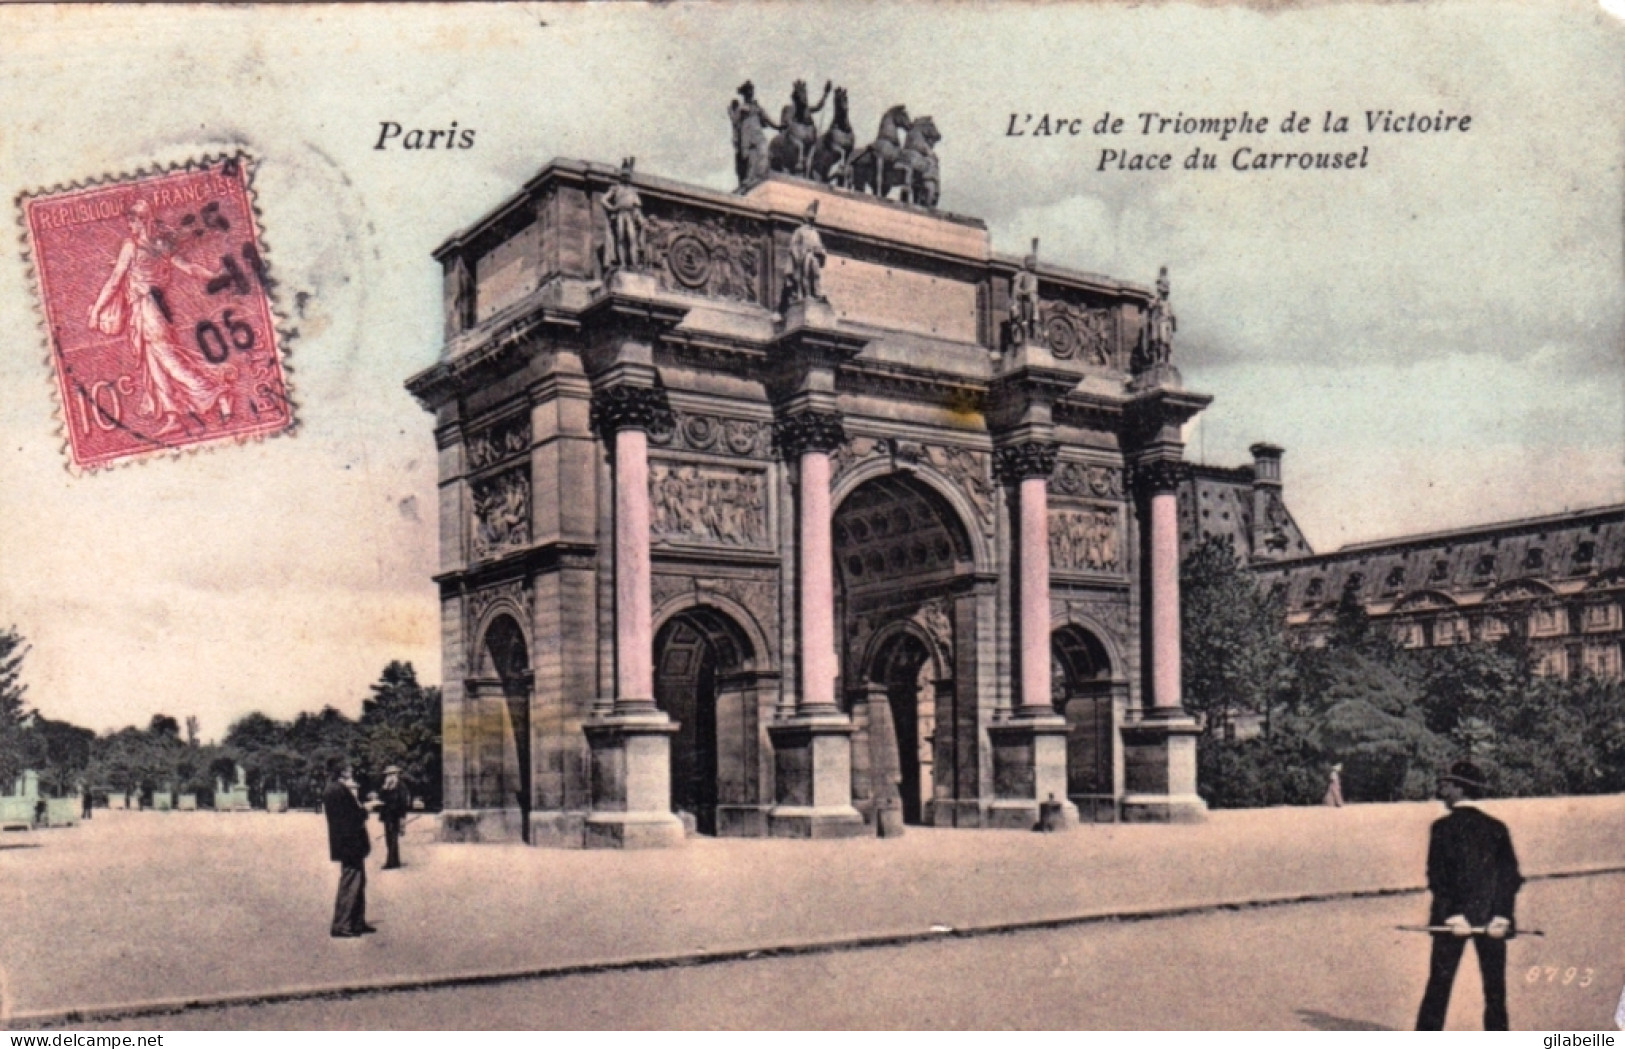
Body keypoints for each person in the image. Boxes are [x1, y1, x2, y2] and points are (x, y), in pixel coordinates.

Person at [87, 200, 231, 435]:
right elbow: (190, 268)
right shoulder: (161, 246)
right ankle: (173, 415)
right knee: (154, 362)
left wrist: (96, 312)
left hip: (148, 310)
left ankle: (217, 392)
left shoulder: (131, 247)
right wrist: (215, 276)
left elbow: (114, 281)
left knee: (169, 360)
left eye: (132, 220)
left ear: (142, 221)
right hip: (154, 310)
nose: (130, 225)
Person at [1415, 760, 1523, 1030]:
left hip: (1452, 921)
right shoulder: (1497, 828)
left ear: (1461, 789)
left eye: (1447, 786)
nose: (1441, 791)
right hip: (1491, 920)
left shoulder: (1442, 828)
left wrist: (1453, 915)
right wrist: (1501, 915)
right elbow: (1510, 878)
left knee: (1438, 987)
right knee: (1495, 991)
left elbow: (1438, 878)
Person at [322, 763, 376, 938]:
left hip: (349, 844)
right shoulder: (338, 790)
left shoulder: (334, 789)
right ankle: (342, 925)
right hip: (350, 844)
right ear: (342, 771)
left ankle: (356, 922)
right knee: (351, 883)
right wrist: (365, 810)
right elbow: (348, 819)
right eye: (348, 769)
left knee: (358, 882)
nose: (351, 771)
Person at [378, 766, 411, 870]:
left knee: (392, 839)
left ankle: (391, 862)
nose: (389, 776)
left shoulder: (401, 787)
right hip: (387, 816)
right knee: (389, 839)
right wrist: (385, 788)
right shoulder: (386, 787)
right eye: (388, 774)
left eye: (392, 774)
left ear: (397, 774)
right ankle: (394, 861)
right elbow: (381, 798)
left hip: (396, 816)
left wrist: (402, 818)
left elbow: (403, 803)